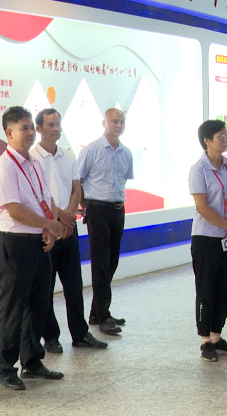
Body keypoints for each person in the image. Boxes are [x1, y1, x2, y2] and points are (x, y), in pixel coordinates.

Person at [0, 106, 65, 391]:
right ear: (9, 133)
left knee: (38, 304)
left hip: (39, 241)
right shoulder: (4, 166)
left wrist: (49, 229)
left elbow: (45, 199)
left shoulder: (34, 163)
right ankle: (6, 368)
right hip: (16, 243)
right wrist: (49, 224)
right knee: (13, 308)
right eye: (24, 128)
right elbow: (14, 209)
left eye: (31, 127)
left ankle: (32, 361)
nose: (31, 132)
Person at [32, 109, 108, 353]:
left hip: (67, 229)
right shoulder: (32, 158)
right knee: (46, 287)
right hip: (46, 230)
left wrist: (69, 217)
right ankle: (50, 336)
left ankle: (80, 333)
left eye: (58, 124)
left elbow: (76, 188)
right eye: (50, 125)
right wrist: (58, 217)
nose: (56, 129)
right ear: (39, 128)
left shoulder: (67, 155)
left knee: (74, 285)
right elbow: (38, 195)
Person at [189, 120, 227, 362]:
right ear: (207, 141)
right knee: (207, 290)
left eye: (226, 135)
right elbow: (202, 207)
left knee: (225, 289)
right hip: (206, 238)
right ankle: (205, 341)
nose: (226, 139)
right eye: (221, 136)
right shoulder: (198, 169)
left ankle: (217, 337)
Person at [77, 108, 133, 335]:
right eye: (114, 121)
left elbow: (123, 182)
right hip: (97, 210)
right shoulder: (91, 150)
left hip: (118, 210)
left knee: (112, 261)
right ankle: (103, 316)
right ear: (104, 123)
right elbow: (78, 181)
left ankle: (97, 311)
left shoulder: (126, 152)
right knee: (101, 263)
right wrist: (85, 206)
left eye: (121, 122)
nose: (118, 125)